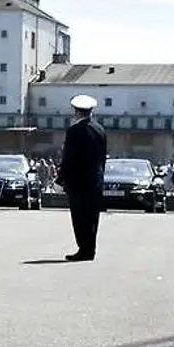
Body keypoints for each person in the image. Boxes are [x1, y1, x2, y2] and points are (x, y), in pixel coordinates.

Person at [60, 94, 106, 261]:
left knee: (79, 217)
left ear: (77, 112)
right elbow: (102, 157)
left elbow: (69, 157)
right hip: (95, 180)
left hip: (78, 181)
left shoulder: (74, 131)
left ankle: (83, 249)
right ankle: (90, 249)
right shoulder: (100, 130)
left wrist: (60, 179)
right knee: (92, 216)